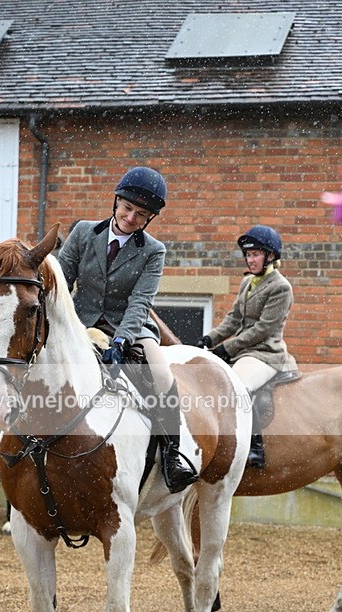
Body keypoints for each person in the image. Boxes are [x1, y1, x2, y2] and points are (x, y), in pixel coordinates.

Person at [58, 166, 198, 493]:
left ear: (149, 219)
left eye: (141, 214)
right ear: (116, 202)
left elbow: (140, 300)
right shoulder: (82, 232)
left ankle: (175, 453)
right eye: (128, 208)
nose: (131, 217)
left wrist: (122, 340)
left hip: (129, 326)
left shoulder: (153, 251)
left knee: (162, 375)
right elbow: (62, 282)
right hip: (80, 321)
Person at [199, 225, 298, 468]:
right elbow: (233, 319)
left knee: (237, 387)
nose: (250, 259)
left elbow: (263, 329)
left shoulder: (281, 287)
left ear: (270, 256)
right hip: (244, 351)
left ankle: (255, 448)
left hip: (265, 354)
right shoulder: (248, 283)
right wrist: (209, 339)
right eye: (248, 255)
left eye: (255, 254)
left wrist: (226, 349)